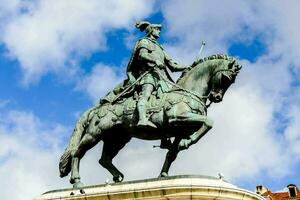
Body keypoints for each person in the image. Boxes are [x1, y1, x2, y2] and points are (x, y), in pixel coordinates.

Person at [101, 21, 187, 129]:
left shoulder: (160, 48)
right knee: (145, 95)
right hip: (148, 75)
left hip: (162, 79)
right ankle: (142, 119)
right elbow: (142, 55)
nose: (159, 32)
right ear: (150, 30)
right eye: (156, 29)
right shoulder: (144, 42)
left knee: (169, 103)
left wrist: (189, 66)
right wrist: (155, 60)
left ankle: (165, 136)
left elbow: (173, 66)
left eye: (159, 30)